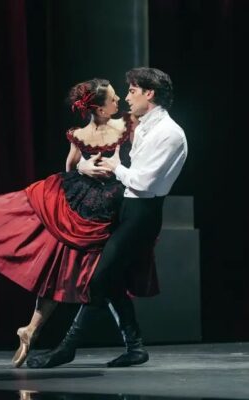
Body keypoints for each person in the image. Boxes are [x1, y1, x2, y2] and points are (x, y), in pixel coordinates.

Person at [0, 78, 159, 368]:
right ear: (100, 110)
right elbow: (71, 165)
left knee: (80, 268)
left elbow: (139, 161)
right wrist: (84, 167)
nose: (119, 101)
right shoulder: (84, 133)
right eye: (113, 98)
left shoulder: (126, 124)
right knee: (27, 212)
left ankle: (43, 331)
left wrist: (101, 168)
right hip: (89, 205)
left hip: (106, 210)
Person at [26, 67, 187, 369]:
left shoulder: (169, 133)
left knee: (98, 279)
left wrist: (115, 167)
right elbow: (89, 148)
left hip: (142, 215)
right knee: (111, 280)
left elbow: (143, 183)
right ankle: (135, 347)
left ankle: (67, 348)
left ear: (149, 93)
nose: (127, 97)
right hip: (125, 208)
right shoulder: (141, 124)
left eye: (133, 91)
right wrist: (86, 166)